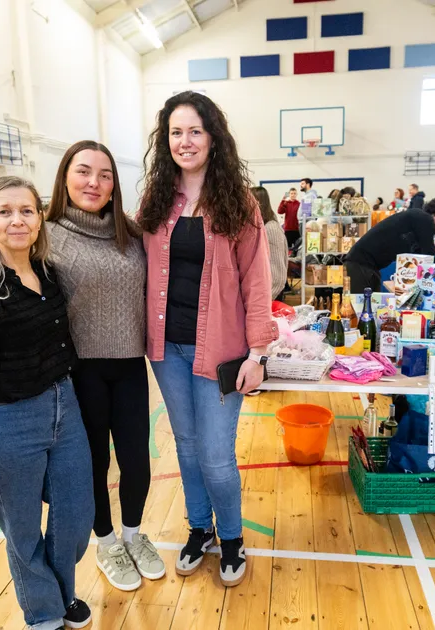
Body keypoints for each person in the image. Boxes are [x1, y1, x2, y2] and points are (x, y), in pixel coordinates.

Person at [137, 91, 278, 587]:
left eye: (195, 131)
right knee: (187, 447)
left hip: (220, 352)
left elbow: (256, 283)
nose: (185, 141)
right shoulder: (156, 201)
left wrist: (258, 354)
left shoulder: (238, 204)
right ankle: (201, 529)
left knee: (217, 456)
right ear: (165, 140)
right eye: (176, 132)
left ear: (213, 137)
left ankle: (232, 537)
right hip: (167, 350)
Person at [0, 176, 94, 629]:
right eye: (4, 212)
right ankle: (45, 612)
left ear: (39, 218)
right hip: (9, 421)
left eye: (26, 210)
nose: (17, 220)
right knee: (22, 527)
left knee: (76, 514)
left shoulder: (48, 274)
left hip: (65, 408)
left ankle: (60, 591)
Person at [45, 141, 164, 593]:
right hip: (81, 371)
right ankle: (107, 542)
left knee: (136, 460)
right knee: (94, 463)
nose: (94, 182)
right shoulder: (46, 235)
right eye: (83, 171)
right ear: (65, 177)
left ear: (115, 184)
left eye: (105, 174)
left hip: (131, 364)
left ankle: (133, 536)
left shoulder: (130, 232)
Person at [344, 196, 435, 293]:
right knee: (361, 309)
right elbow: (430, 256)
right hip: (360, 264)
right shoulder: (424, 219)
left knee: (372, 307)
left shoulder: (417, 221)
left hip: (368, 266)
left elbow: (421, 256)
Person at [252, 186, 291, 300]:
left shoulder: (271, 229)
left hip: (269, 298)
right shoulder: (261, 227)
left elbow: (277, 275)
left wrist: (262, 302)